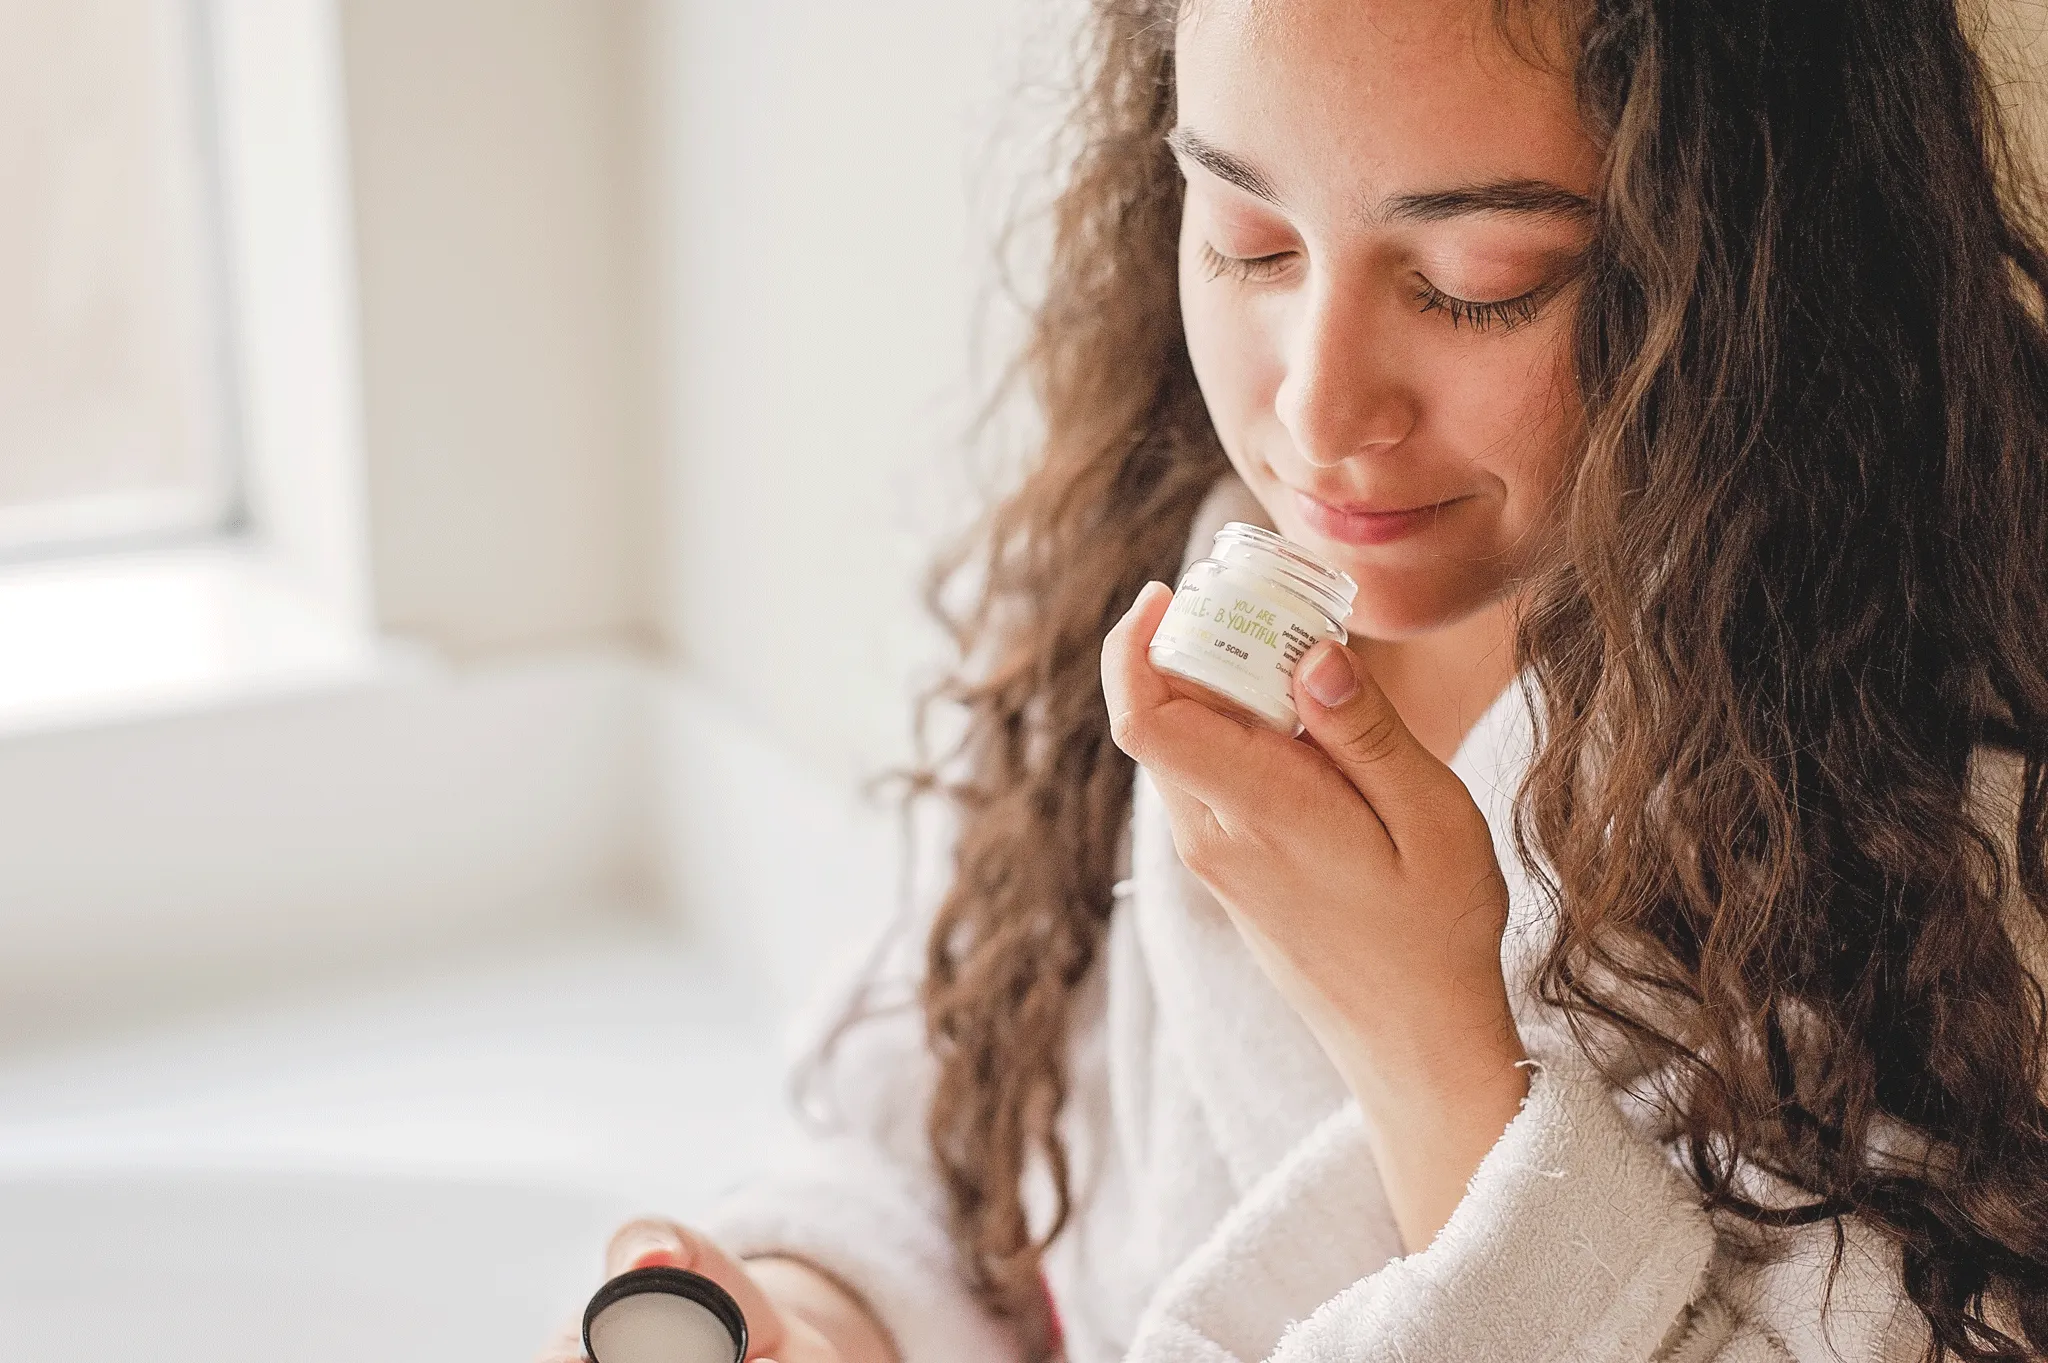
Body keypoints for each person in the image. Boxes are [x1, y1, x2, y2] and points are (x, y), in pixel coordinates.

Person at [540, 0, 2048, 1359]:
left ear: (1761, 274)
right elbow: (956, 1170)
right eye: (1249, 241)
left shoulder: (1952, 807)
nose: (1318, 411)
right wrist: (812, 1310)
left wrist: (1430, 1047)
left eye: (1476, 280)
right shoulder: (1143, 579)